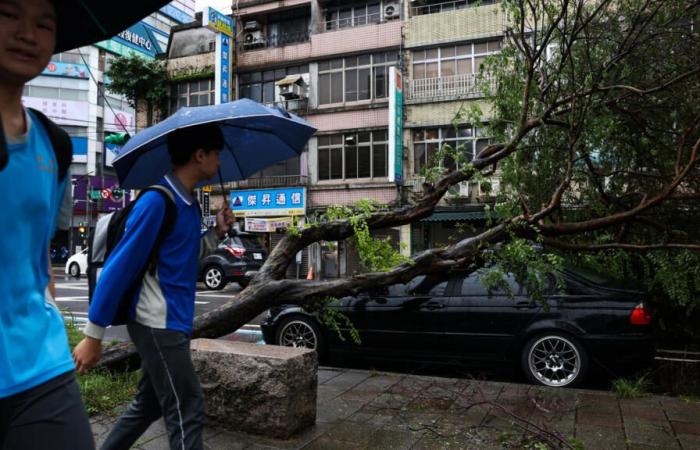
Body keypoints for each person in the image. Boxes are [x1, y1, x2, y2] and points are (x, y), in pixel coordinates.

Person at [73, 122, 233, 450]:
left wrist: (217, 232)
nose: (219, 161)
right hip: (155, 321)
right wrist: (94, 335)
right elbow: (119, 268)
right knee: (187, 406)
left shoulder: (187, 204)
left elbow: (186, 257)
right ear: (198, 155)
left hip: (171, 319)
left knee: (148, 405)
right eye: (216, 154)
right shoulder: (157, 202)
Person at [0, 0, 94, 448]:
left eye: (44, 23)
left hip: (42, 366)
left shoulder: (54, 145)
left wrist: (52, 307)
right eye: (7, 14)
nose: (27, 34)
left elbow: (39, 258)